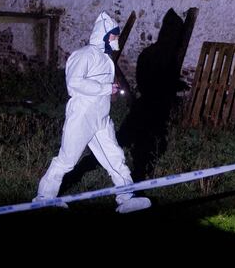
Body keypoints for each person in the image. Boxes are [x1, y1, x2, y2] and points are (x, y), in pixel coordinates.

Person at [33, 11, 151, 214]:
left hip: (101, 118)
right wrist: (105, 88)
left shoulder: (106, 59)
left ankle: (127, 197)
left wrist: (109, 89)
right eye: (113, 35)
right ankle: (44, 197)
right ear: (104, 35)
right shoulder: (84, 55)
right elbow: (74, 83)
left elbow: (100, 85)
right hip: (82, 115)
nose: (116, 39)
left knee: (115, 157)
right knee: (67, 159)